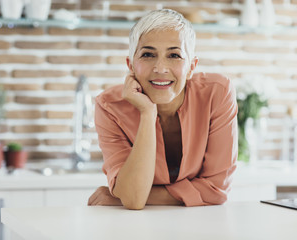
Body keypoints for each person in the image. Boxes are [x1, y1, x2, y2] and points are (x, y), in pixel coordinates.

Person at [88, 9, 238, 210]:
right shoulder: (109, 106)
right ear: (130, 65)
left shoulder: (217, 93)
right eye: (148, 54)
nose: (160, 68)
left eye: (174, 55)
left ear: (191, 67)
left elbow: (216, 190)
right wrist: (148, 113)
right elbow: (133, 200)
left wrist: (133, 195)